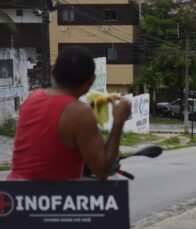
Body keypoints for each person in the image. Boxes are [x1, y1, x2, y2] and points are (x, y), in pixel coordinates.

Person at [8, 46, 132, 181]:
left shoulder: (31, 99)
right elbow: (102, 170)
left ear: (53, 72)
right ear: (92, 80)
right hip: (53, 198)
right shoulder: (79, 113)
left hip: (16, 195)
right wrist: (118, 122)